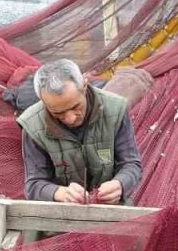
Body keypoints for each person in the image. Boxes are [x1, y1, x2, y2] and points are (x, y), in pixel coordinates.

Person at [20, 58, 143, 205]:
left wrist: (120, 184)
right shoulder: (33, 125)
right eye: (58, 113)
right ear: (44, 102)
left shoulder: (115, 109)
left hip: (113, 209)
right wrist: (59, 193)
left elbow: (131, 164)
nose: (71, 118)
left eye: (75, 107)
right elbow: (33, 185)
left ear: (84, 86)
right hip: (60, 216)